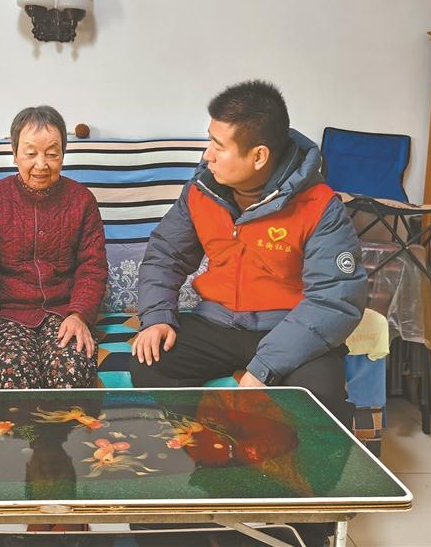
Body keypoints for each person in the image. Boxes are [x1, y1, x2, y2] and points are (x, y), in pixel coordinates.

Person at [131, 80, 367, 547]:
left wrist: (263, 368)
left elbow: (334, 299)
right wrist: (157, 315)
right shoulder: (202, 188)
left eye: (218, 146)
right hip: (216, 321)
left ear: (258, 156)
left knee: (321, 396)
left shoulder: (320, 206)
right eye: (209, 140)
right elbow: (165, 254)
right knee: (150, 363)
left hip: (291, 330)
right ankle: (185, 503)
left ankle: (308, 527)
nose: (207, 154)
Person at [0, 105, 108, 389]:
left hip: (65, 311)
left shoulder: (82, 201)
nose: (41, 164)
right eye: (30, 153)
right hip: (9, 313)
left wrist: (79, 314)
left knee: (70, 370)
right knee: (15, 374)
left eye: (52, 154)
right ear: (14, 153)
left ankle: (70, 423)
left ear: (63, 154)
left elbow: (92, 267)